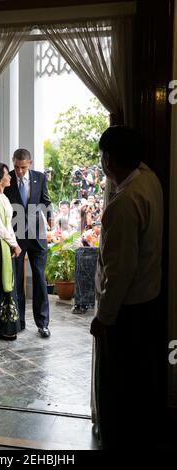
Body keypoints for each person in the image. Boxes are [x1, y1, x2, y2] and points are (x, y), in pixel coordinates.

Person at [90, 126, 163, 449]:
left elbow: (119, 272)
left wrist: (103, 318)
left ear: (108, 159)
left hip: (127, 313)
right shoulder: (150, 180)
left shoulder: (123, 203)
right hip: (149, 302)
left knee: (117, 390)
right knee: (140, 385)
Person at [4, 148, 53, 338]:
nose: (20, 171)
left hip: (37, 235)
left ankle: (43, 323)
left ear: (30, 164)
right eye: (16, 167)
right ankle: (19, 322)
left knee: (40, 278)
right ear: (13, 163)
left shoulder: (40, 178)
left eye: (23, 167)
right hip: (16, 237)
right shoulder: (7, 179)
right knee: (17, 279)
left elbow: (46, 201)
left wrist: (49, 217)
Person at [0, 163, 21, 340]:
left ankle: (8, 327)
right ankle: (0, 327)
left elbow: (8, 225)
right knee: (0, 287)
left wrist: (14, 244)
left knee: (9, 285)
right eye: (6, 174)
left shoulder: (3, 197)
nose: (10, 177)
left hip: (6, 243)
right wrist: (13, 243)